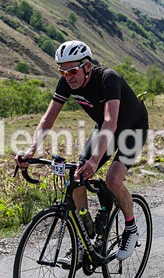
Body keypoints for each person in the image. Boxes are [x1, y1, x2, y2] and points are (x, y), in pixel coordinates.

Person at [14, 40, 148, 261]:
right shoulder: (67, 83)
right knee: (76, 176)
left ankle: (131, 228)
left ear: (87, 66)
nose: (68, 77)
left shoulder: (108, 78)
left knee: (113, 180)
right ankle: (84, 237)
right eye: (62, 72)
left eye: (73, 71)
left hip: (132, 129)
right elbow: (48, 119)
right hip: (105, 129)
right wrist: (31, 150)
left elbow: (110, 121)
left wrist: (95, 160)